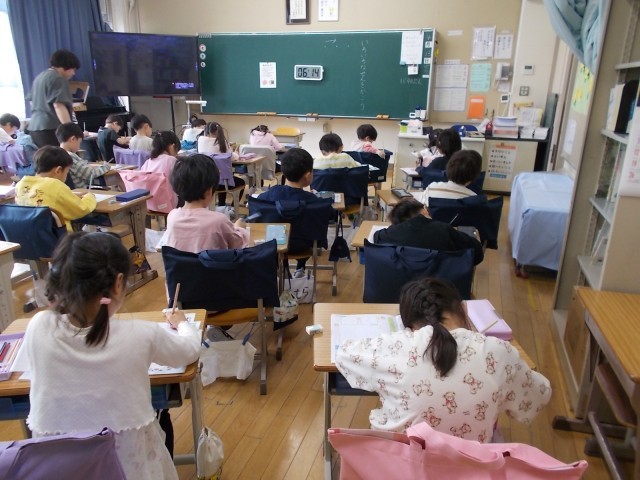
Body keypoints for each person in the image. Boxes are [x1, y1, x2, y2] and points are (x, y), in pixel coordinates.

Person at [20, 231, 200, 479]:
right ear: (118, 282)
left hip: (56, 468)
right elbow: (189, 350)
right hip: (126, 467)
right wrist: (182, 324)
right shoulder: (140, 334)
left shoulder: (38, 326)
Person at [336, 277, 551, 438]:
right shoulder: (499, 352)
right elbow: (540, 395)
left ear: (408, 327)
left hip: (399, 467)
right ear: (464, 309)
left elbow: (343, 354)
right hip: (470, 468)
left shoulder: (394, 347)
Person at [259, 147, 334, 276]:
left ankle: (281, 268)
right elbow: (331, 215)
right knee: (304, 228)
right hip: (303, 245)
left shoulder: (268, 196)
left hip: (274, 244)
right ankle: (300, 267)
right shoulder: (313, 201)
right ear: (308, 175)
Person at [164, 154, 249, 253]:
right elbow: (238, 243)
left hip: (182, 264)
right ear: (209, 191)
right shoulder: (218, 221)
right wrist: (240, 228)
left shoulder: (172, 216)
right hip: (213, 263)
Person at [374, 197, 483, 265]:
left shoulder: (384, 236)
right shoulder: (444, 230)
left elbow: (376, 237)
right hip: (440, 289)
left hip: (400, 289)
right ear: (424, 211)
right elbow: (477, 255)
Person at [15, 145, 97, 229]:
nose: (66, 176)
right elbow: (81, 209)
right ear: (58, 170)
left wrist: (71, 196)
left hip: (31, 234)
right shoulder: (55, 185)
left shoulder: (20, 184)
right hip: (60, 235)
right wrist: (90, 196)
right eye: (66, 172)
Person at [28, 49, 80, 148]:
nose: (73, 73)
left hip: (35, 127)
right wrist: (70, 131)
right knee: (60, 156)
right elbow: (59, 106)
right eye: (73, 69)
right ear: (66, 66)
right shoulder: (58, 79)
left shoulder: (40, 77)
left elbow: (31, 101)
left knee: (47, 157)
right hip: (51, 128)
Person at [197, 122, 245, 208]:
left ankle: (221, 206)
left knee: (222, 176)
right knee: (240, 182)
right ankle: (232, 209)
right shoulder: (221, 142)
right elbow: (232, 157)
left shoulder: (200, 140)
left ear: (206, 130)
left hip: (205, 181)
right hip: (221, 183)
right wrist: (236, 152)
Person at [57, 122, 109, 189]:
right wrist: (106, 166)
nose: (79, 147)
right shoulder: (69, 156)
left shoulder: (58, 153)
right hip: (81, 191)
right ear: (73, 139)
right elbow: (90, 173)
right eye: (79, 143)